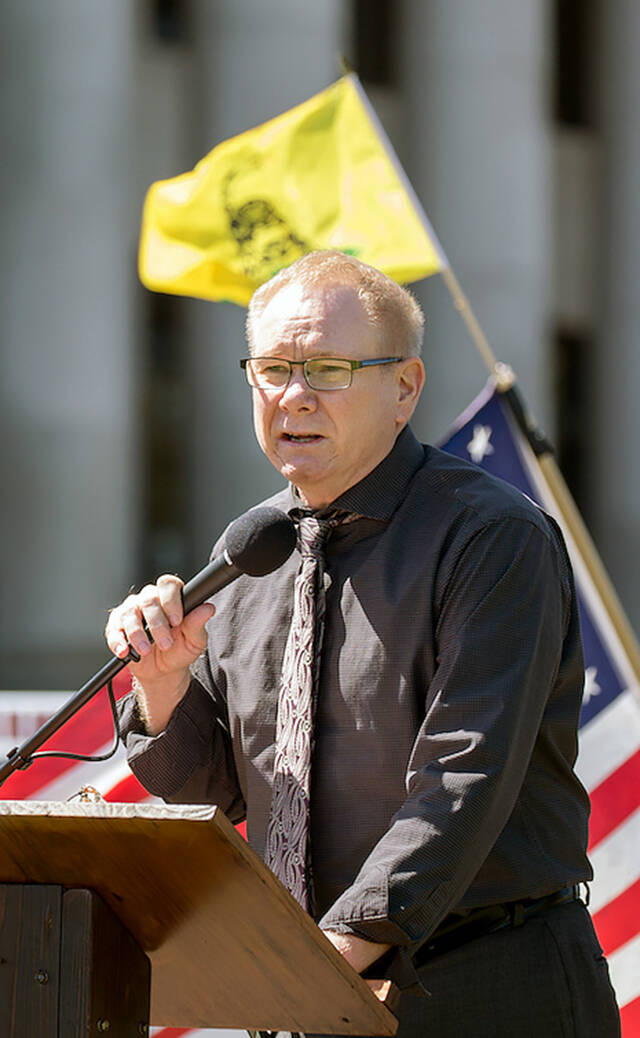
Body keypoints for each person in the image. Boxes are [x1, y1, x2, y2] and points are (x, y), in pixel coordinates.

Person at [107, 251, 620, 1036]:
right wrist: (164, 683)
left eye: (329, 368)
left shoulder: (491, 536)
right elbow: (216, 793)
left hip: (485, 987)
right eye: (273, 368)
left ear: (405, 388)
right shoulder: (251, 554)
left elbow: (461, 777)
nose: (294, 396)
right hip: (309, 995)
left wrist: (320, 964)